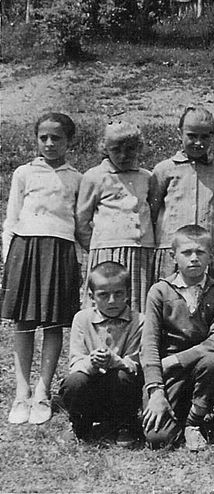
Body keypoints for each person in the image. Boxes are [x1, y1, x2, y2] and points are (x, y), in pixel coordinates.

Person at [2, 113, 83, 425]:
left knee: (52, 323)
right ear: (36, 139)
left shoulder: (77, 177)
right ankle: (21, 393)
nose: (50, 143)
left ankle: (42, 392)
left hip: (60, 250)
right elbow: (10, 218)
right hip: (25, 249)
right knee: (23, 322)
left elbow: (79, 222)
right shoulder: (24, 173)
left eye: (57, 138)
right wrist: (9, 257)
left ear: (69, 141)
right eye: (44, 137)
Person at [141, 225, 214, 451]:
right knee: (159, 439)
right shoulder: (160, 291)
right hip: (166, 371)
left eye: (200, 253)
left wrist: (178, 359)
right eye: (187, 253)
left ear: (210, 256)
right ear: (173, 256)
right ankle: (171, 408)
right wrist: (156, 390)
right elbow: (149, 342)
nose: (194, 259)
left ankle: (193, 423)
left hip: (200, 367)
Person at [58, 262, 143, 446]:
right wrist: (92, 362)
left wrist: (114, 361)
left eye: (118, 294)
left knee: (123, 376)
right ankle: (80, 424)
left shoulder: (139, 321)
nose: (112, 301)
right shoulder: (81, 319)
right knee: (74, 382)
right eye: (103, 295)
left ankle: (124, 424)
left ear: (128, 293)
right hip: (91, 388)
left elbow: (134, 363)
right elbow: (76, 362)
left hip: (120, 389)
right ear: (91, 296)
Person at [76, 121, 155, 313]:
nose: (123, 155)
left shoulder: (147, 177)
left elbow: (152, 212)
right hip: (107, 250)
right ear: (105, 149)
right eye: (116, 149)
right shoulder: (95, 176)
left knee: (136, 302)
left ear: (139, 148)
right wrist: (99, 246)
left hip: (140, 251)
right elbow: (82, 220)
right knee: (107, 299)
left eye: (130, 149)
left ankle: (135, 341)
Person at [149, 107, 214, 281]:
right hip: (171, 250)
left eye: (205, 137)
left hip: (204, 251)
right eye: (192, 136)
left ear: (213, 136)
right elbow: (152, 211)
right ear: (180, 133)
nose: (198, 142)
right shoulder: (164, 169)